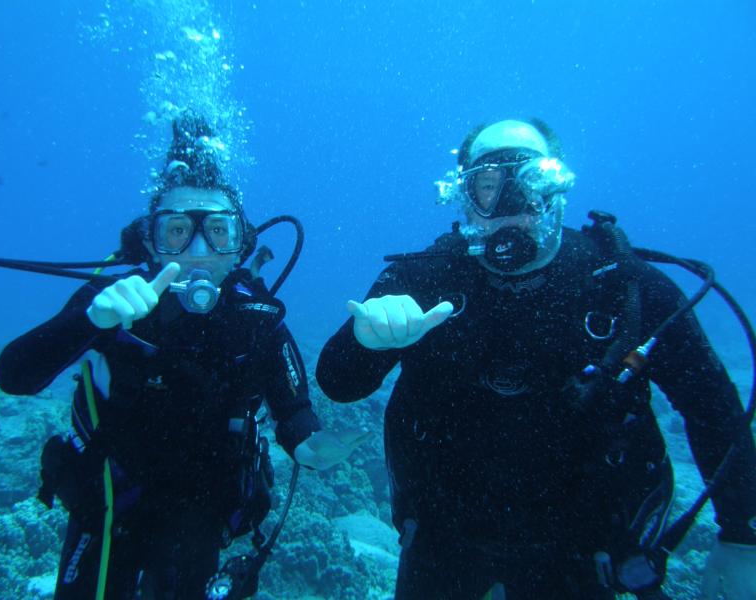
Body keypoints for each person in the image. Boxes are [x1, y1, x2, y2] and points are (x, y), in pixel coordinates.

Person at [315, 119, 756, 599]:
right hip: (444, 538)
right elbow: (338, 383)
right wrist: (366, 339)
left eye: (527, 185)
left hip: (583, 548)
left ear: (556, 189)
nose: (508, 208)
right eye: (487, 186)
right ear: (464, 197)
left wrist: (741, 532)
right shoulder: (425, 279)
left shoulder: (623, 289)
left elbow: (710, 403)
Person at [0, 111, 367, 599]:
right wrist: (90, 319)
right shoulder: (114, 303)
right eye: (176, 231)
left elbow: (294, 412)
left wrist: (310, 446)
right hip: (107, 498)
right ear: (150, 241)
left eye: (217, 231)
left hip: (202, 504)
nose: (197, 251)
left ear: (240, 246)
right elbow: (14, 376)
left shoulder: (254, 317)